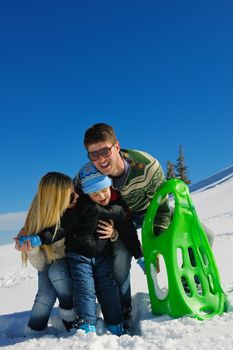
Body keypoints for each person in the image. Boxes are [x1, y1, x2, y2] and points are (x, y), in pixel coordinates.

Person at [19, 165, 143, 336]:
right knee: (76, 289)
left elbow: (126, 227)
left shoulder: (106, 205)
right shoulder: (71, 210)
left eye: (103, 190)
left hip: (99, 256)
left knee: (107, 288)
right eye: (94, 193)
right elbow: (59, 232)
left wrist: (137, 253)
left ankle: (115, 323)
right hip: (73, 259)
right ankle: (81, 324)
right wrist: (37, 241)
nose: (100, 196)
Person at [76, 122, 172, 330]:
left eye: (105, 151)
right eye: (94, 154)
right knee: (120, 258)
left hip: (150, 215)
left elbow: (163, 209)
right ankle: (124, 308)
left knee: (198, 234)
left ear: (117, 146)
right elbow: (65, 197)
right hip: (120, 224)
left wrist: (155, 240)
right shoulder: (91, 174)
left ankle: (186, 285)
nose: (101, 159)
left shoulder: (147, 166)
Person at [15, 172, 78, 335]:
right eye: (71, 195)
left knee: (57, 271)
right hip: (50, 267)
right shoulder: (37, 219)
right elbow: (42, 266)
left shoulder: (73, 213)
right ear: (57, 200)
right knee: (45, 294)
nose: (77, 196)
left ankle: (71, 321)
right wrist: (32, 249)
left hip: (71, 265)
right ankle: (33, 332)